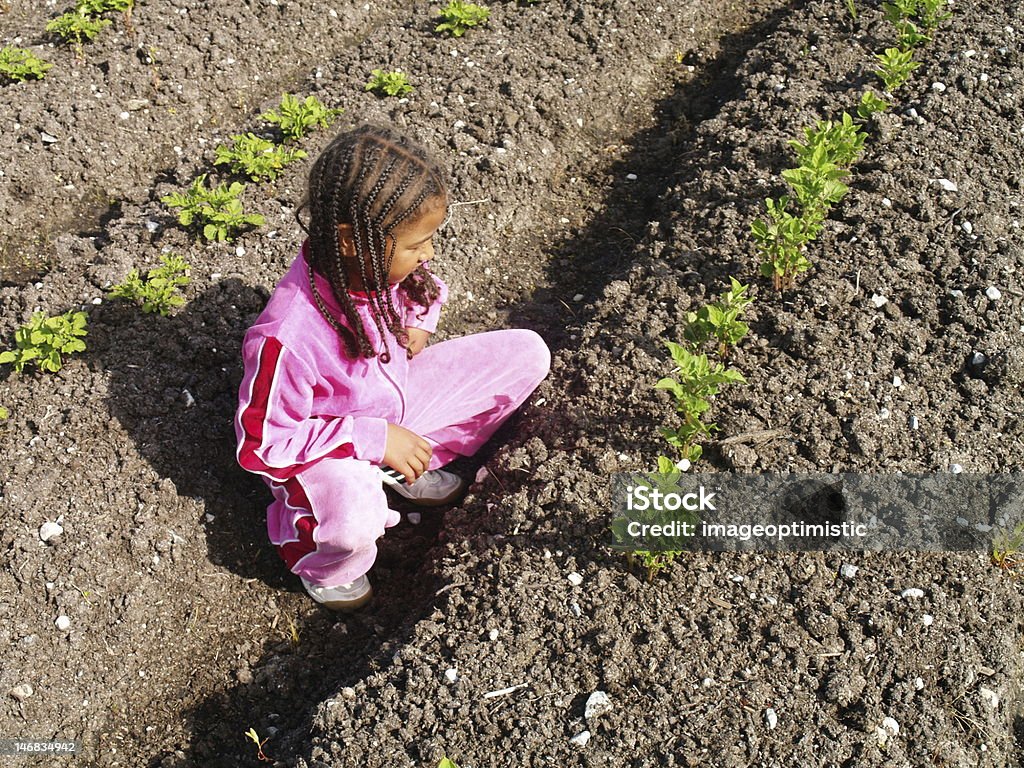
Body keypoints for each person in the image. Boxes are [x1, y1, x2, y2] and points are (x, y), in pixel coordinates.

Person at [234, 124, 550, 611]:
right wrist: (372, 438)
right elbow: (263, 446)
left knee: (526, 354)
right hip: (325, 453)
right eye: (416, 244)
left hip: (391, 408)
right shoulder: (287, 339)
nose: (428, 253)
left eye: (429, 239)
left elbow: (423, 282)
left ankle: (403, 467)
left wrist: (421, 318)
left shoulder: (374, 263)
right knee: (354, 514)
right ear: (349, 241)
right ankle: (322, 561)